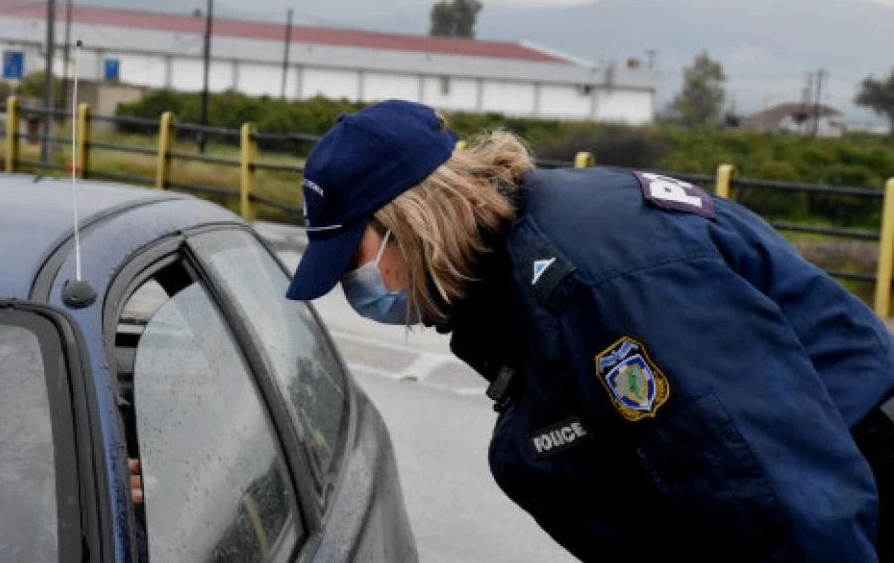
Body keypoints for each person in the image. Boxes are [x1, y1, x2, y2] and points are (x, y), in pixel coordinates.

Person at [285, 99, 894, 561]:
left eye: (350, 262)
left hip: (855, 477)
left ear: (411, 220)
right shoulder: (528, 253)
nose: (350, 287)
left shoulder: (591, 279)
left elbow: (778, 492)